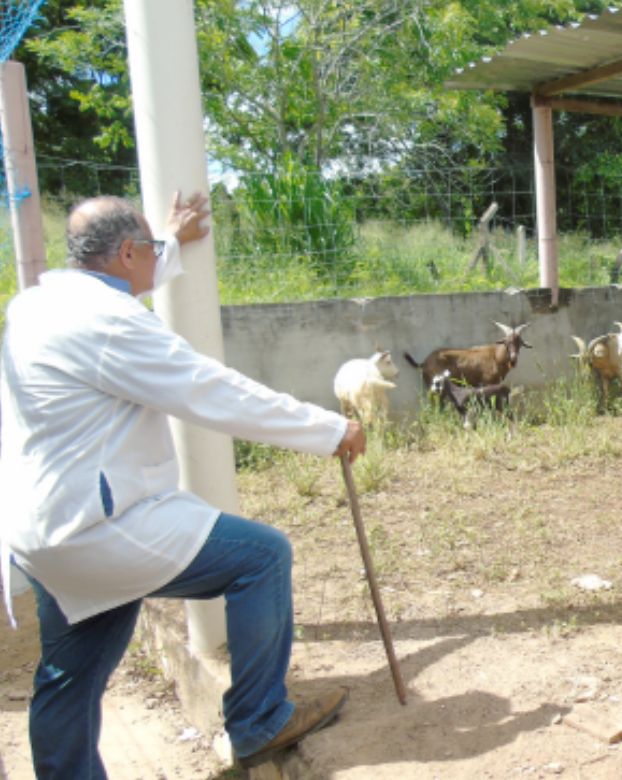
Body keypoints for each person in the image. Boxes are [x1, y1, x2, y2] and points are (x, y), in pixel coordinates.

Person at [0, 192, 368, 777]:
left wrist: (167, 241)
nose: (153, 260)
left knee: (69, 677)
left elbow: (125, 279)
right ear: (125, 252)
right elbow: (212, 391)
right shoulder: (111, 325)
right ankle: (259, 722)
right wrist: (328, 429)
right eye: (146, 250)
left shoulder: (35, 305)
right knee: (261, 557)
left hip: (42, 529)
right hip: (97, 526)